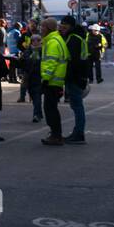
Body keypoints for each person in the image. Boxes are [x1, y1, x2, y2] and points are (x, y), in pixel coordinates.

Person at [61, 16, 90, 145]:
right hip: (80, 77)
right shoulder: (78, 37)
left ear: (71, 26)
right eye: (61, 24)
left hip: (75, 78)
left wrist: (69, 77)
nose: (62, 27)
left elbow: (72, 61)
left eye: (65, 25)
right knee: (77, 106)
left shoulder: (73, 39)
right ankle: (78, 132)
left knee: (77, 106)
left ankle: (78, 133)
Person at [40, 17, 68, 146]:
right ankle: (56, 134)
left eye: (43, 27)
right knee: (52, 108)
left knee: (50, 109)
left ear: (49, 28)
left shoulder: (52, 42)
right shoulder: (55, 40)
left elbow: (51, 62)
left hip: (52, 81)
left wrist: (45, 78)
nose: (41, 29)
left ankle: (55, 135)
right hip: (56, 81)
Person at [24, 33, 44, 123]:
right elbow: (25, 61)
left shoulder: (43, 50)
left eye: (38, 40)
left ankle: (36, 115)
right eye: (33, 40)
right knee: (32, 95)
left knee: (37, 96)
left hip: (39, 76)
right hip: (30, 76)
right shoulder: (28, 50)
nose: (36, 42)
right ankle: (39, 113)